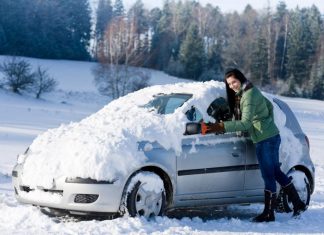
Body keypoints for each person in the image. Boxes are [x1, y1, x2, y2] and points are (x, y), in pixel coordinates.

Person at [201, 68, 306, 222]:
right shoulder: (249, 92)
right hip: (268, 136)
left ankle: (269, 213)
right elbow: (268, 108)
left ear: (241, 79)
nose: (232, 86)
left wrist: (218, 127)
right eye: (229, 84)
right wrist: (265, 122)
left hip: (266, 140)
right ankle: (298, 203)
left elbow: (245, 123)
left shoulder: (249, 95)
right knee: (276, 172)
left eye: (234, 82)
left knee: (268, 175)